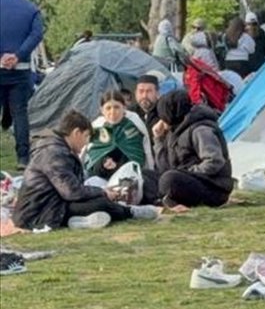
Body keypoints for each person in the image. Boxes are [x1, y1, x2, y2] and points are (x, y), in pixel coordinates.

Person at [13, 110, 156, 230]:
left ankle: (77, 221)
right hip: (39, 213)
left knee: (97, 196)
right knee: (101, 203)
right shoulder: (54, 154)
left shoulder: (59, 150)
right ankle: (130, 212)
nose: (87, 142)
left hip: (52, 205)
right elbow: (71, 191)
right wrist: (103, 192)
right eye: (86, 136)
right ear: (76, 133)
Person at [152, 90, 233, 209]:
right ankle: (162, 198)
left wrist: (189, 172)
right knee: (146, 176)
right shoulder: (174, 130)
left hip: (213, 187)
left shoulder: (200, 130)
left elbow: (215, 161)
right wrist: (158, 139)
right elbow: (165, 167)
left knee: (169, 179)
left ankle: (164, 197)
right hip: (186, 178)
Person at [0, 0, 44, 168]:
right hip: (21, 68)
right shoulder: (31, 9)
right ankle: (23, 158)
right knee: (20, 113)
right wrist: (17, 55)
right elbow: (36, 35)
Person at [84, 90, 153, 180]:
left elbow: (140, 155)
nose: (112, 112)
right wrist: (103, 163)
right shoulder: (97, 127)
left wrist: (119, 166)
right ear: (102, 110)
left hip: (131, 175)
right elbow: (90, 160)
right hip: (101, 179)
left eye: (116, 107)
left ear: (124, 108)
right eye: (108, 108)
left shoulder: (133, 123)